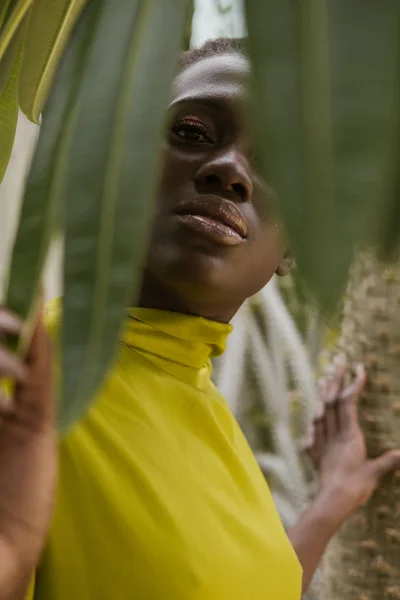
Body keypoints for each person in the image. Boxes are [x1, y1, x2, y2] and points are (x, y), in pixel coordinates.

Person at [0, 37, 399, 600]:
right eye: (192, 132)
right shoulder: (23, 387)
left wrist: (333, 497)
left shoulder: (217, 428)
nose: (230, 171)